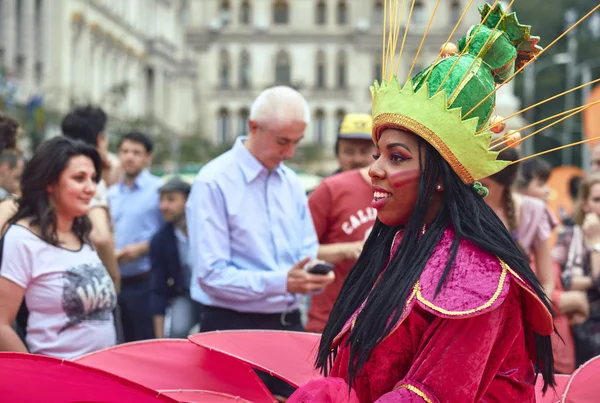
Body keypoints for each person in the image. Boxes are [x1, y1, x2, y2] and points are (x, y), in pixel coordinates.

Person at [289, 4, 556, 402]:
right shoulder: (403, 247)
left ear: (441, 178)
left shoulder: (475, 276)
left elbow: (430, 395)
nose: (374, 170)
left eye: (396, 157)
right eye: (377, 154)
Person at [186, 85, 334, 399]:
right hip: (231, 327)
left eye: (297, 142)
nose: (290, 152)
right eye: (283, 141)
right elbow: (211, 275)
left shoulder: (291, 182)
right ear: (254, 127)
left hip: (288, 323)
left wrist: (311, 276)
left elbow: (306, 248)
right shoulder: (213, 182)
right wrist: (283, 282)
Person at [0, 136, 117, 359]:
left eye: (93, 178)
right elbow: (1, 324)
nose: (90, 188)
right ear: (50, 183)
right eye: (79, 178)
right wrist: (37, 378)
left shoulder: (83, 232)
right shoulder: (23, 239)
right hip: (59, 383)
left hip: (104, 378)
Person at [305, 114, 376, 333]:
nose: (357, 159)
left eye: (365, 151)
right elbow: (297, 253)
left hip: (377, 323)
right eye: (348, 151)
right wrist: (347, 250)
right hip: (330, 322)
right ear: (337, 154)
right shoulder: (327, 191)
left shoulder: (398, 190)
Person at [108, 132, 163, 342]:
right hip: (115, 282)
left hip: (145, 281)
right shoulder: (111, 194)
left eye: (136, 153)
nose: (129, 157)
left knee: (144, 343)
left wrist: (141, 249)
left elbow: (168, 237)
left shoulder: (158, 191)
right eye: (125, 151)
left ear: (148, 157)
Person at [61, 106, 120, 293]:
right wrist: (114, 279)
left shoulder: (56, 174)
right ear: (100, 139)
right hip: (88, 284)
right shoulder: (90, 181)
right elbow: (101, 237)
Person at [553, 172, 600, 367]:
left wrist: (596, 242)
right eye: (597, 199)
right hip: (580, 333)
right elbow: (560, 280)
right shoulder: (570, 237)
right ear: (585, 204)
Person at [150, 177, 198, 338]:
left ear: (188, 201)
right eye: (162, 200)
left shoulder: (207, 229)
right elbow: (158, 288)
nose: (164, 206)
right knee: (178, 328)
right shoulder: (161, 240)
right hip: (185, 293)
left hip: (215, 293)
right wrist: (159, 340)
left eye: (171, 200)